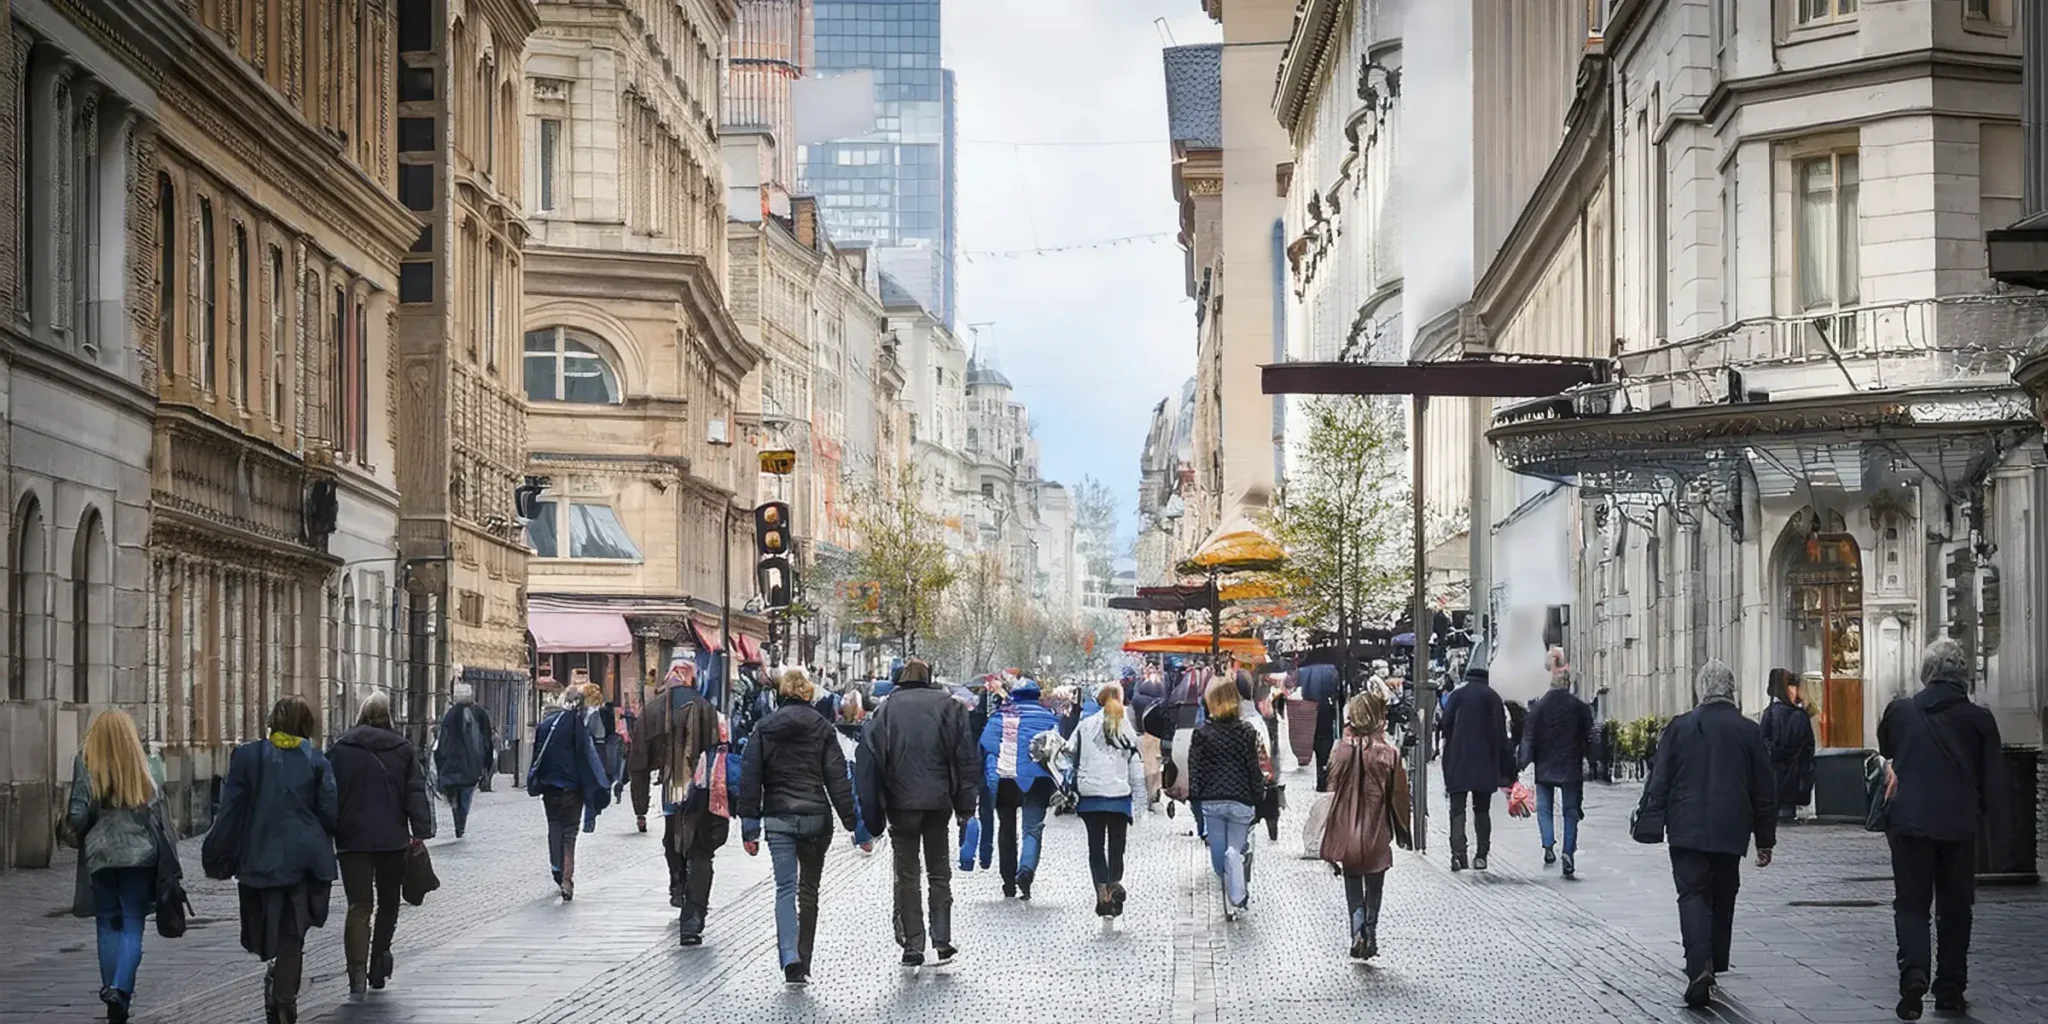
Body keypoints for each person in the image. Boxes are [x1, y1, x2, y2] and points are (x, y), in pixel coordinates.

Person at [1877, 638, 2010, 1021]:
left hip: (1909, 824)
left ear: (1926, 673)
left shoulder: (1900, 711)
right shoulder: (1980, 719)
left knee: (1911, 905)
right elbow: (1994, 781)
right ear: (1962, 675)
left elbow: (1886, 745)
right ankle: (1950, 989)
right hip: (1957, 825)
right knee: (1955, 909)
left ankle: (1915, 974)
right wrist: (1995, 835)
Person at [1637, 660, 1776, 1010]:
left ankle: (1699, 966)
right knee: (1723, 894)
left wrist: (1652, 820)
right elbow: (1764, 788)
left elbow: (1660, 779)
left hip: (1685, 828)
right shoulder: (1748, 730)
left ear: (1701, 689)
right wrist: (1765, 838)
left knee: (1692, 895)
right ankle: (1714, 960)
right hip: (1731, 829)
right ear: (1731, 689)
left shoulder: (1680, 727)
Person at [738, 667, 864, 985]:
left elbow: (750, 777)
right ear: (808, 694)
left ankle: (789, 956)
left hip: (778, 817)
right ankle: (803, 959)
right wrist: (853, 823)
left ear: (781, 694)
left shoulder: (764, 727)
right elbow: (838, 777)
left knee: (784, 889)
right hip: (815, 819)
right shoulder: (822, 727)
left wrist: (749, 826)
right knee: (809, 892)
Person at [220, 696, 340, 1024]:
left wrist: (220, 852)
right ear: (306, 726)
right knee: (293, 932)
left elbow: (231, 809)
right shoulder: (316, 761)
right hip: (304, 863)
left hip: (259, 859)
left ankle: (277, 978)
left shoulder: (247, 757)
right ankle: (285, 996)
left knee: (265, 926)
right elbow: (330, 813)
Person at [855, 658, 979, 968]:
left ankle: (913, 943)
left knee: (907, 873)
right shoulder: (951, 707)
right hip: (938, 802)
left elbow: (870, 761)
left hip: (901, 804)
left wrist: (873, 814)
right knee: (939, 871)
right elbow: (965, 759)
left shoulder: (886, 709)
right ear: (929, 677)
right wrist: (966, 806)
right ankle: (942, 939)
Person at [327, 691, 434, 1000]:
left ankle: (356, 975)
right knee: (388, 904)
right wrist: (421, 830)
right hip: (391, 840)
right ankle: (379, 962)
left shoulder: (340, 749)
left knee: (359, 906)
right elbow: (415, 792)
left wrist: (330, 826)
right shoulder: (401, 749)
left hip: (352, 841)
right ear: (388, 715)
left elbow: (328, 792)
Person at [67, 710, 172, 1024]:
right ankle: (120, 989)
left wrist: (73, 827)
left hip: (100, 856)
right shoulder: (142, 760)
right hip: (139, 854)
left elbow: (77, 814)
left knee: (107, 922)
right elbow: (156, 809)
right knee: (131, 923)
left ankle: (109, 988)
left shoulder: (85, 760)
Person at [630, 658, 730, 945]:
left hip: (672, 785)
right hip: (702, 788)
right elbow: (721, 756)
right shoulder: (708, 709)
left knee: (672, 833)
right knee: (699, 844)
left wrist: (640, 808)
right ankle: (693, 909)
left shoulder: (652, 710)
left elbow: (638, 762)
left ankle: (678, 882)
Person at [1320, 687, 1411, 961]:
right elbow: (1399, 796)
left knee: (1352, 879)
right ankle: (1370, 932)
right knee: (1375, 882)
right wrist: (1404, 830)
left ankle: (1356, 929)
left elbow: (1331, 782)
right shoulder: (1389, 752)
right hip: (1377, 827)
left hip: (1347, 825)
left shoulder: (1341, 749)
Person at [1063, 681, 1148, 918]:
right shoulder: (1126, 728)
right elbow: (1135, 767)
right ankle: (1114, 883)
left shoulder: (1085, 725)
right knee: (1116, 846)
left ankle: (1103, 894)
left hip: (1090, 798)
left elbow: (1069, 752)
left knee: (1095, 846)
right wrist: (1141, 802)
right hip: (1119, 798)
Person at [1188, 677, 1270, 921]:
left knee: (1218, 855)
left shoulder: (1201, 734)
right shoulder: (1246, 732)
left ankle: (1230, 890)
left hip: (1213, 801)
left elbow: (1196, 769)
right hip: (1241, 800)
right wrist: (1258, 797)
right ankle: (1236, 886)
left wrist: (1196, 798)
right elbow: (1253, 769)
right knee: (1236, 847)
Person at [979, 677, 1061, 900]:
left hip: (1006, 778)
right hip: (1037, 779)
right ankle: (1025, 871)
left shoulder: (1002, 716)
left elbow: (986, 743)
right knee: (1032, 829)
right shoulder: (1048, 717)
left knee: (1006, 827)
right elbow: (1057, 747)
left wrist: (1009, 753)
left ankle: (1007, 881)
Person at [526, 687, 611, 901]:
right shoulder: (579, 726)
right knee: (570, 834)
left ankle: (556, 867)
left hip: (550, 787)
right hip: (572, 789)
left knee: (554, 826)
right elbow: (588, 757)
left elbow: (537, 755)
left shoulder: (546, 725)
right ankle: (566, 879)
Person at [1520, 652, 1594, 876]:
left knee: (1544, 808)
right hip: (1571, 766)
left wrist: (1523, 762)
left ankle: (1548, 845)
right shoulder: (1579, 707)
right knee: (1570, 811)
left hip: (1544, 766)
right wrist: (1588, 759)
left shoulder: (1539, 707)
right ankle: (1568, 851)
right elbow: (1589, 735)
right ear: (1568, 683)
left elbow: (1529, 736)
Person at [1438, 665, 1513, 872]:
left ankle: (1458, 855)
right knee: (1482, 810)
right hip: (1484, 762)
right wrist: (1508, 769)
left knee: (1457, 810)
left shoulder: (1457, 696)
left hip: (1458, 761)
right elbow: (1500, 736)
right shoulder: (1493, 698)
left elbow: (1445, 724)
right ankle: (1481, 855)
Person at [432, 682, 495, 838]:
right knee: (466, 792)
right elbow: (487, 739)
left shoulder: (449, 714)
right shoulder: (480, 713)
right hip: (471, 763)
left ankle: (457, 818)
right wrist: (486, 763)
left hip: (451, 763)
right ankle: (461, 822)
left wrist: (440, 762)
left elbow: (442, 740)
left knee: (455, 792)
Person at [1760, 668, 1817, 824]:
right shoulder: (1797, 716)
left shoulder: (1769, 713)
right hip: (1793, 780)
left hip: (1774, 781)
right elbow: (1806, 749)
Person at [967, 676, 1006, 870]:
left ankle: (975, 850)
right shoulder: (1004, 716)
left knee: (975, 810)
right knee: (992, 812)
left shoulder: (973, 716)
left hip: (975, 765)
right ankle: (986, 852)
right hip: (996, 766)